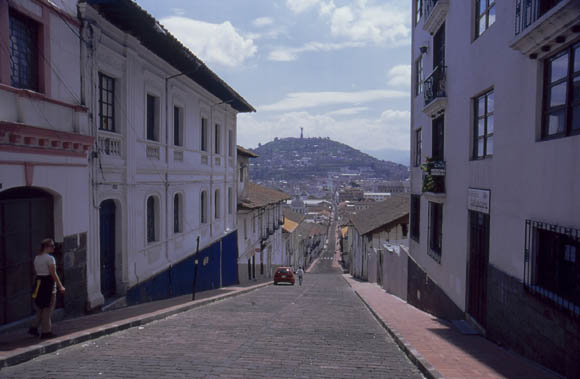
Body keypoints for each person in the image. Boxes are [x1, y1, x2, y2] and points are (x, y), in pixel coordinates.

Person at [29, 238, 65, 339]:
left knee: (41, 307)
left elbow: (37, 273)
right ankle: (46, 331)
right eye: (52, 246)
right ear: (47, 247)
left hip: (39, 283)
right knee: (48, 308)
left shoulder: (37, 258)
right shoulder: (50, 259)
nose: (54, 247)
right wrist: (60, 286)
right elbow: (53, 274)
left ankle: (34, 327)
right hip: (48, 284)